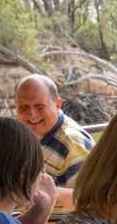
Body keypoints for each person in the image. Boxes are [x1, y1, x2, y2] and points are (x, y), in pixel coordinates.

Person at [14, 74, 95, 209]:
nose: (32, 113)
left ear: (57, 104)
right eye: (23, 107)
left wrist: (40, 190)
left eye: (39, 106)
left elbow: (89, 200)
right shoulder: (20, 134)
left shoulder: (74, 143)